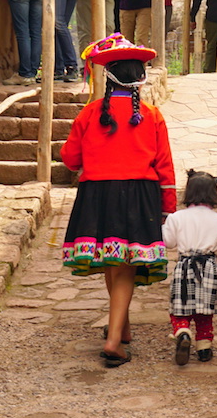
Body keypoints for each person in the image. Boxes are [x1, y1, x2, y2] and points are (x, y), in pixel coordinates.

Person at [60, 33, 177, 367]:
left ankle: (120, 327)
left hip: (97, 194)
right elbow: (164, 165)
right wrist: (168, 207)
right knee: (124, 264)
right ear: (141, 77)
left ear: (107, 76)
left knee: (113, 260)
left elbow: (70, 158)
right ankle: (114, 339)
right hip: (138, 194)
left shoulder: (90, 114)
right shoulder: (152, 116)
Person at [162, 169, 217, 365]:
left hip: (185, 265)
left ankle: (182, 332)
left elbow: (168, 242)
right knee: (205, 309)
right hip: (209, 266)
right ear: (214, 194)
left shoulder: (176, 218)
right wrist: (215, 246)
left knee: (181, 306)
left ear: (188, 192)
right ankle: (204, 347)